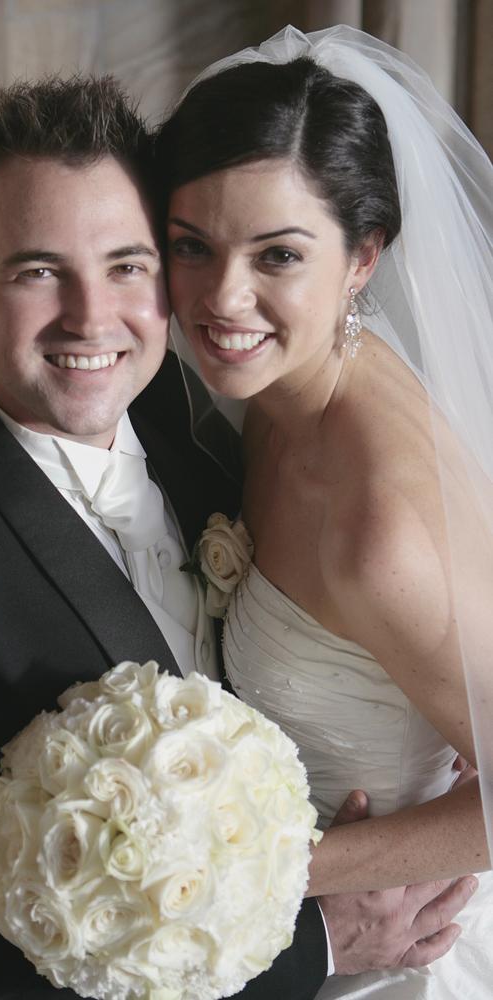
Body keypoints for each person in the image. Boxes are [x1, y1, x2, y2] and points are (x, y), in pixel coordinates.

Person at [0, 73, 474, 1000]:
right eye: (37, 270)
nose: (92, 320)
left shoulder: (184, 407)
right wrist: (323, 946)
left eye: (129, 264)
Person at [156, 24, 493, 1000]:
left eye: (277, 256)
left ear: (362, 257)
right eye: (191, 245)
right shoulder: (284, 389)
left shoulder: (378, 528)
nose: (223, 297)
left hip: (386, 951)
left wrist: (289, 872)